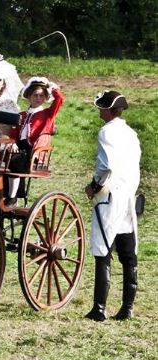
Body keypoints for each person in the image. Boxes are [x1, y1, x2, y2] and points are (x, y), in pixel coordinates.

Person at [85, 90, 141, 321]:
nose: (99, 111)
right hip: (128, 194)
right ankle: (127, 307)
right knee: (128, 252)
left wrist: (94, 186)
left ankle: (99, 309)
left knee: (102, 249)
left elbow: (106, 165)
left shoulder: (107, 132)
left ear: (109, 110)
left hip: (110, 195)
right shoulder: (131, 133)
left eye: (102, 108)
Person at [7, 76, 64, 205]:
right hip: (19, 147)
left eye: (41, 96)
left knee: (15, 161)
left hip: (34, 151)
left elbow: (59, 99)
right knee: (0, 159)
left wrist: (53, 88)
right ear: (28, 96)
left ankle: (12, 198)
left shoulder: (48, 114)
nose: (38, 98)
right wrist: (12, 143)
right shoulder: (22, 115)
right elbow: (14, 134)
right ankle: (1, 194)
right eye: (35, 95)